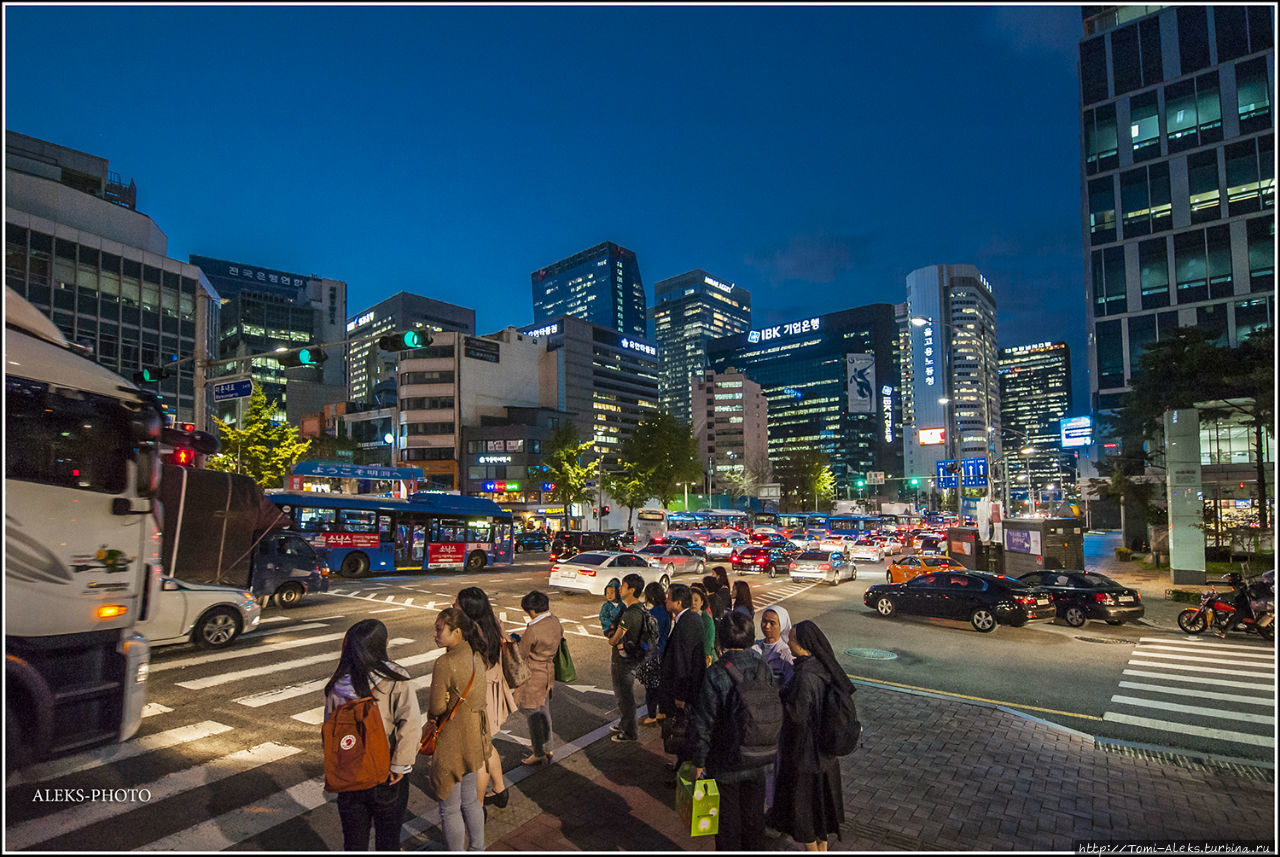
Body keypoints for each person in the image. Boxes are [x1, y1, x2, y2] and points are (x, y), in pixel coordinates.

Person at [323, 619, 421, 851]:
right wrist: (399, 765)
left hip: (350, 776)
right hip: (385, 773)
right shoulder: (396, 678)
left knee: (354, 842)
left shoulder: (338, 684)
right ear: (384, 644)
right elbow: (411, 723)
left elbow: (330, 732)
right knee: (388, 840)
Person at [687, 611, 777, 852]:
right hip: (760, 756)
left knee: (727, 824)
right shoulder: (763, 667)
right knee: (753, 819)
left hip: (727, 760)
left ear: (722, 640)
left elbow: (704, 723)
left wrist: (699, 761)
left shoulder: (716, 672)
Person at [769, 620, 852, 851]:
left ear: (803, 643)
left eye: (792, 639)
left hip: (805, 757)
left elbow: (797, 716)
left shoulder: (805, 675)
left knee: (802, 815)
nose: (789, 641)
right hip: (825, 756)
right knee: (820, 813)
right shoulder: (822, 666)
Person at [428, 608, 489, 852]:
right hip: (474, 736)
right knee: (471, 801)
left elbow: (436, 706)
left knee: (449, 807)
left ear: (457, 631)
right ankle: (478, 848)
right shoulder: (476, 655)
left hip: (452, 740)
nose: (435, 633)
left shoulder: (445, 662)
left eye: (440, 629)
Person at [455, 587, 517, 809]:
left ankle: (477, 807)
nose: (454, 605)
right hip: (492, 690)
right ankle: (499, 789)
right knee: (486, 745)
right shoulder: (493, 625)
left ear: (468, 608)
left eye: (458, 603)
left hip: (478, 696)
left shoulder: (471, 633)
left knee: (477, 756)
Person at [512, 590, 562, 766]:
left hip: (534, 675)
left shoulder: (533, 629)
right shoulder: (555, 621)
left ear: (532, 611)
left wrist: (515, 640)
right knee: (544, 710)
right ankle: (548, 747)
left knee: (532, 713)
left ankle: (539, 752)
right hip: (548, 672)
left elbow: (522, 653)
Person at [659, 583, 707, 759]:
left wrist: (681, 695)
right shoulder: (690, 619)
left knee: (682, 732)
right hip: (685, 689)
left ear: (678, 603)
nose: (666, 600)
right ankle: (680, 767)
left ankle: (683, 770)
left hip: (683, 692)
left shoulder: (687, 623)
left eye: (668, 597)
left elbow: (684, 662)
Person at [606, 573, 649, 742]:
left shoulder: (630, 613)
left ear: (631, 590)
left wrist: (611, 637)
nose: (619, 589)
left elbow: (614, 640)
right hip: (634, 656)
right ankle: (625, 723)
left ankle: (630, 732)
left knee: (624, 695)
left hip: (624, 660)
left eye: (622, 586)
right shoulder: (641, 608)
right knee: (624, 694)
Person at [640, 581, 670, 727]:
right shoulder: (666, 612)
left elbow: (646, 637)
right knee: (660, 686)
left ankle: (652, 715)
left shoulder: (652, 615)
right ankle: (661, 712)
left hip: (652, 654)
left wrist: (643, 647)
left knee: (651, 688)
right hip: (663, 651)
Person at [752, 605, 795, 690]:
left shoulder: (786, 654)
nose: (767, 626)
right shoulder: (754, 646)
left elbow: (790, 684)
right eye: (764, 621)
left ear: (781, 625)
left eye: (772, 623)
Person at [689, 583, 717, 668]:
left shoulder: (705, 618)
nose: (693, 603)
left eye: (696, 600)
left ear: (702, 602)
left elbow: (708, 644)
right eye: (690, 600)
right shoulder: (687, 616)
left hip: (704, 660)